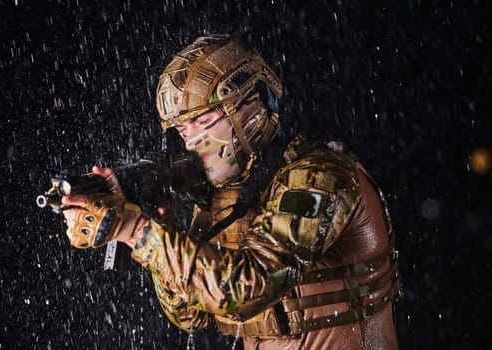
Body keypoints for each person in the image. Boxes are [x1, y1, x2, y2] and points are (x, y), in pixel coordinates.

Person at [62, 35, 401, 349]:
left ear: (250, 103)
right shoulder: (224, 196)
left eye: (204, 121)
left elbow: (248, 288)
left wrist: (137, 232)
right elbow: (190, 316)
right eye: (182, 128)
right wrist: (160, 230)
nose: (192, 139)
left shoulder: (319, 177)